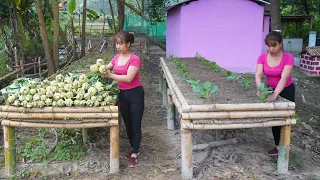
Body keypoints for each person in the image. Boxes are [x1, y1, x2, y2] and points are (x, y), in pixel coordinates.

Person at [101, 31, 144, 167]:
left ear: (128, 44)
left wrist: (110, 76)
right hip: (123, 95)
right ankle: (133, 148)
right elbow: (105, 68)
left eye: (121, 43)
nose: (118, 46)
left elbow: (128, 78)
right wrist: (99, 70)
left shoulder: (135, 59)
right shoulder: (116, 58)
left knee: (136, 124)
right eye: (117, 44)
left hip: (135, 94)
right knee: (128, 124)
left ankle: (135, 153)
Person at [255, 31, 295, 156]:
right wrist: (261, 88)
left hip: (286, 90)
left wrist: (275, 94)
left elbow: (284, 78)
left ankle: (285, 146)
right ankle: (277, 146)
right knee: (274, 119)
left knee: (284, 118)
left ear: (280, 44)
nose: (271, 48)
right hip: (270, 88)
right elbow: (258, 74)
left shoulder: (288, 58)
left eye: (274, 45)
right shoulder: (262, 57)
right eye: (268, 46)